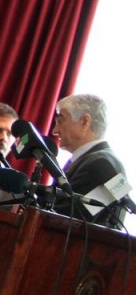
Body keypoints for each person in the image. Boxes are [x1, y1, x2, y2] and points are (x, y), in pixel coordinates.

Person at [51, 94, 128, 228]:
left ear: (85, 122)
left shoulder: (101, 164)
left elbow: (70, 217)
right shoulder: (91, 159)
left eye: (60, 121)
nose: (55, 131)